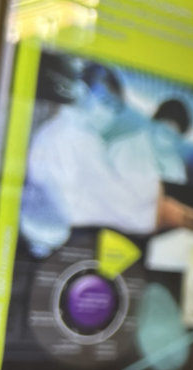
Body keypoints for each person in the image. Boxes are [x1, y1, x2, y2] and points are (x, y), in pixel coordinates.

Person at [21, 63, 161, 252]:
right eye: (104, 102)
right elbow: (115, 204)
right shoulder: (71, 137)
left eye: (115, 109)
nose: (109, 114)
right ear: (82, 93)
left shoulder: (80, 134)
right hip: (53, 240)